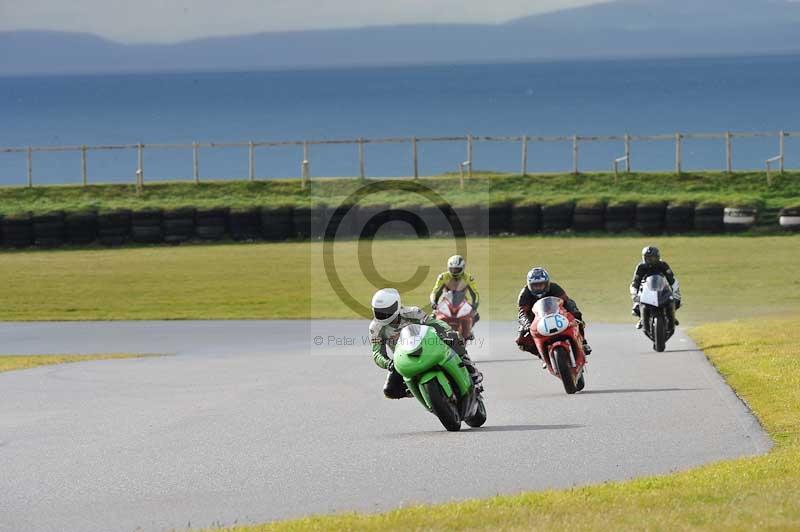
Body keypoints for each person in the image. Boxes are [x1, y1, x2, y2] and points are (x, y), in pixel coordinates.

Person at [369, 288, 483, 399]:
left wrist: (447, 331)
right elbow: (377, 353)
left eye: (386, 310)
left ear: (396, 306)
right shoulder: (375, 328)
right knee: (389, 391)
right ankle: (416, 391)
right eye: (379, 312)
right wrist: (388, 363)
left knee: (455, 336)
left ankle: (470, 368)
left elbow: (435, 323)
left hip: (428, 345)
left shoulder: (412, 312)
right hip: (404, 357)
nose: (383, 315)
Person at [515, 267, 592, 363]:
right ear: (529, 285)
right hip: (535, 319)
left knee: (576, 316)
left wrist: (574, 312)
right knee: (521, 341)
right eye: (535, 286)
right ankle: (542, 355)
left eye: (541, 285)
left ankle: (583, 342)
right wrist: (527, 325)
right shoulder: (524, 294)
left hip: (557, 313)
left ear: (547, 283)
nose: (538, 288)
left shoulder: (554, 287)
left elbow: (566, 301)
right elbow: (522, 313)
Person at [429, 255, 481, 340]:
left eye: (457, 269)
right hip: (445, 301)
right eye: (452, 269)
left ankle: (468, 330)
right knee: (432, 316)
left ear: (462, 268)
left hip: (462, 301)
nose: (454, 271)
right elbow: (435, 291)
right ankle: (433, 333)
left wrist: (475, 305)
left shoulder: (468, 278)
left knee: (476, 315)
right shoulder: (443, 276)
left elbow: (475, 293)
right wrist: (434, 303)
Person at [630, 246, 681, 329]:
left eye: (653, 258)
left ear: (658, 257)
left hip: (661, 287)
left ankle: (671, 315)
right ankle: (642, 318)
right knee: (636, 307)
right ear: (644, 258)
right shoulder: (641, 267)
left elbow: (672, 280)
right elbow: (635, 282)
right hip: (646, 289)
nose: (651, 260)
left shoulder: (663, 265)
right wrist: (634, 294)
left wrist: (676, 293)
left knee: (674, 301)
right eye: (648, 258)